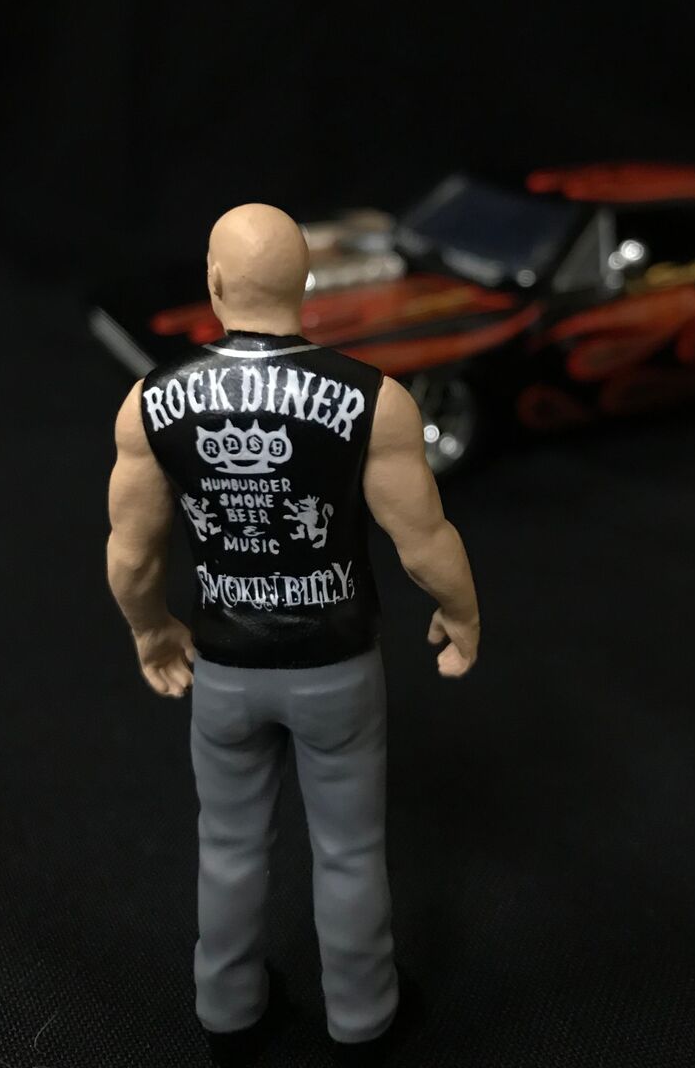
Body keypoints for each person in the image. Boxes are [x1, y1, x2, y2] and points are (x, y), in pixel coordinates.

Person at [106, 203, 480, 1066]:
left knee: (228, 846)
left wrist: (150, 627)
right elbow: (424, 538)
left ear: (213, 282)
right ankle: (363, 1016)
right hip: (334, 668)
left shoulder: (149, 402)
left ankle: (227, 1010)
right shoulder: (372, 397)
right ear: (307, 284)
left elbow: (132, 551)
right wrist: (462, 612)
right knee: (349, 851)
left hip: (225, 668)